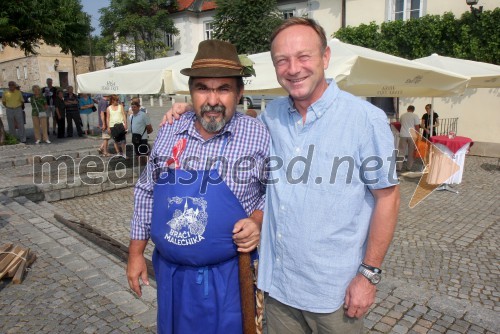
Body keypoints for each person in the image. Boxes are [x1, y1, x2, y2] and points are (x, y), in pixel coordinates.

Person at [164, 18, 400, 334]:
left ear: (325, 58)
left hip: (334, 293)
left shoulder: (365, 120)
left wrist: (368, 275)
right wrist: (189, 111)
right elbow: (229, 124)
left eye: (304, 56)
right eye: (282, 60)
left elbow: (387, 199)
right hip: (278, 288)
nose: (293, 68)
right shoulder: (271, 116)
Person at [128, 39, 270, 334]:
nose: (213, 99)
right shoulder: (170, 129)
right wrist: (135, 253)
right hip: (172, 276)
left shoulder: (259, 135)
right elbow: (146, 191)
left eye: (224, 89)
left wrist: (258, 219)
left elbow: (278, 193)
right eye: (203, 88)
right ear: (191, 92)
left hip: (231, 277)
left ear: (240, 92)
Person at [397, 105, 420, 172]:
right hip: (412, 135)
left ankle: (399, 167)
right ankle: (409, 167)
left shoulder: (402, 115)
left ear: (407, 109)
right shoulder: (415, 116)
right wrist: (418, 135)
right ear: (413, 110)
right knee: (411, 152)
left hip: (403, 134)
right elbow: (417, 127)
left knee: (401, 151)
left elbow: (401, 124)